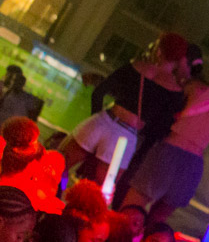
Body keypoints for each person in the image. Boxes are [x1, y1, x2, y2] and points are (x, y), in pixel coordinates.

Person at [123, 50, 209, 223]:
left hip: (167, 152)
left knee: (131, 209)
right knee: (158, 219)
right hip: (192, 164)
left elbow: (167, 111)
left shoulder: (192, 88)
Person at [61, 32, 189, 185]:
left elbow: (99, 92)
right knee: (100, 190)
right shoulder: (175, 92)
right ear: (179, 60)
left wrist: (96, 117)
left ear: (159, 51)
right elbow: (159, 130)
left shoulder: (135, 66)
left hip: (104, 121)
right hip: (124, 137)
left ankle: (52, 194)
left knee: (58, 166)